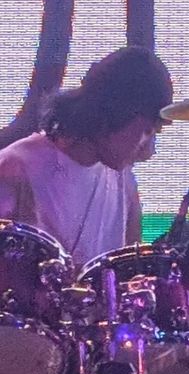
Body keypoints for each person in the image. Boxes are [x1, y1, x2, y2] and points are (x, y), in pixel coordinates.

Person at [0, 46, 171, 264]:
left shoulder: (123, 180)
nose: (149, 152)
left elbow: (130, 267)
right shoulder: (15, 169)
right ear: (115, 113)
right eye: (147, 131)